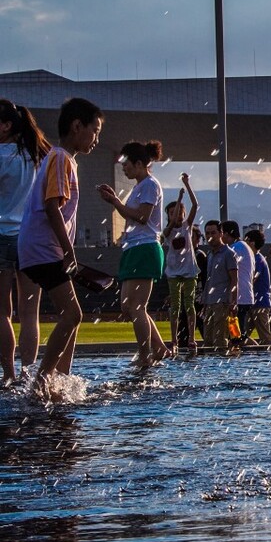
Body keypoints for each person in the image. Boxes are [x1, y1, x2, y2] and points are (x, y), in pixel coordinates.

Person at [18, 97, 104, 398]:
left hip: (40, 249)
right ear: (76, 126)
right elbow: (52, 207)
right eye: (95, 130)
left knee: (73, 317)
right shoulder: (60, 159)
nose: (96, 138)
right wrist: (69, 251)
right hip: (44, 249)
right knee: (73, 314)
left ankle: (60, 381)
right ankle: (42, 383)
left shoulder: (61, 159)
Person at [97, 140, 170, 370]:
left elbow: (142, 217)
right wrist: (115, 201)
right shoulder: (139, 186)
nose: (123, 167)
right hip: (134, 248)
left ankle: (145, 355)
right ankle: (158, 348)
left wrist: (115, 202)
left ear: (139, 163)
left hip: (144, 247)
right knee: (128, 307)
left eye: (126, 163)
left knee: (136, 306)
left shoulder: (149, 184)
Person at [0, 100, 51, 384]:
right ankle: (28, 373)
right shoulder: (36, 156)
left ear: (6, 125)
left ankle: (7, 375)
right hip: (31, 238)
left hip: (1, 235)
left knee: (2, 312)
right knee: (30, 312)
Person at [161, 173, 200, 356]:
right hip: (174, 272)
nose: (176, 215)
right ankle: (174, 339)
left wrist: (187, 185)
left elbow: (196, 206)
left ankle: (191, 338)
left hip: (189, 271)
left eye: (179, 212)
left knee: (189, 304)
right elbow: (168, 229)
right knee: (175, 306)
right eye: (172, 213)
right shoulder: (167, 231)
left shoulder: (186, 227)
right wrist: (178, 199)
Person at [201, 219, 238, 355]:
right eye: (207, 233)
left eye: (213, 233)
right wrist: (205, 300)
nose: (210, 236)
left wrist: (233, 302)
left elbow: (234, 279)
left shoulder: (229, 254)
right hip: (210, 302)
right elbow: (209, 280)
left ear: (221, 233)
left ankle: (221, 372)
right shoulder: (210, 254)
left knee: (220, 341)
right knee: (208, 341)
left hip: (222, 303)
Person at [221, 220, 254, 340]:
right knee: (238, 333)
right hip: (245, 295)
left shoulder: (235, 248)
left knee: (236, 335)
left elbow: (227, 270)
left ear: (226, 234)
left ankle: (248, 354)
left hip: (239, 297)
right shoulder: (244, 246)